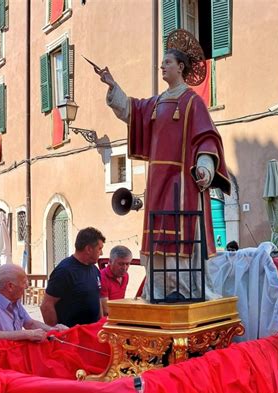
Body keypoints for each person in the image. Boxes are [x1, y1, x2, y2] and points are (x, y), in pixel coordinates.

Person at [97, 29, 230, 301]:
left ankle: (187, 289)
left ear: (180, 67)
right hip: (157, 180)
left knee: (183, 230)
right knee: (158, 234)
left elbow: (206, 137)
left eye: (167, 62)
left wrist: (204, 166)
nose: (162, 66)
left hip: (183, 181)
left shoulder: (193, 102)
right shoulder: (156, 103)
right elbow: (132, 110)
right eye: (161, 63)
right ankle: (159, 289)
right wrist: (113, 86)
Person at [0, 264, 67, 344]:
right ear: (10, 286)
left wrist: (53, 330)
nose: (27, 286)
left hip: (10, 358)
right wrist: (26, 334)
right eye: (24, 282)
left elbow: (29, 323)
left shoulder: (13, 299)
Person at [41, 227, 105, 327]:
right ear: (88, 249)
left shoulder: (95, 270)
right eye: (99, 249)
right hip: (71, 335)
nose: (101, 253)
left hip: (91, 333)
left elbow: (97, 298)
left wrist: (100, 324)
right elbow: (46, 305)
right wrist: (56, 332)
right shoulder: (65, 271)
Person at [100, 245, 132, 315]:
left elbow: (121, 301)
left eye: (127, 264)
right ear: (110, 262)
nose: (124, 268)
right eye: (121, 264)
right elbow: (106, 311)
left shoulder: (125, 276)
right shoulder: (102, 277)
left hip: (118, 315)